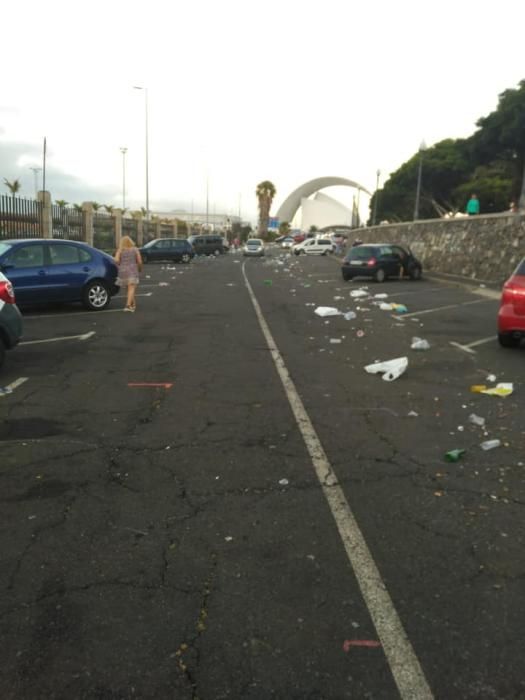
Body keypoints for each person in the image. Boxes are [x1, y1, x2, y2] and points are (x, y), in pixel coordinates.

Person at [114, 236, 143, 312]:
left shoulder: (120, 250)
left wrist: (120, 264)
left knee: (129, 288)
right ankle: (128, 306)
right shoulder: (135, 249)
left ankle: (133, 304)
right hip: (132, 270)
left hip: (122, 270)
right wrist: (140, 268)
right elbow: (139, 261)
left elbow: (116, 260)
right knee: (132, 288)